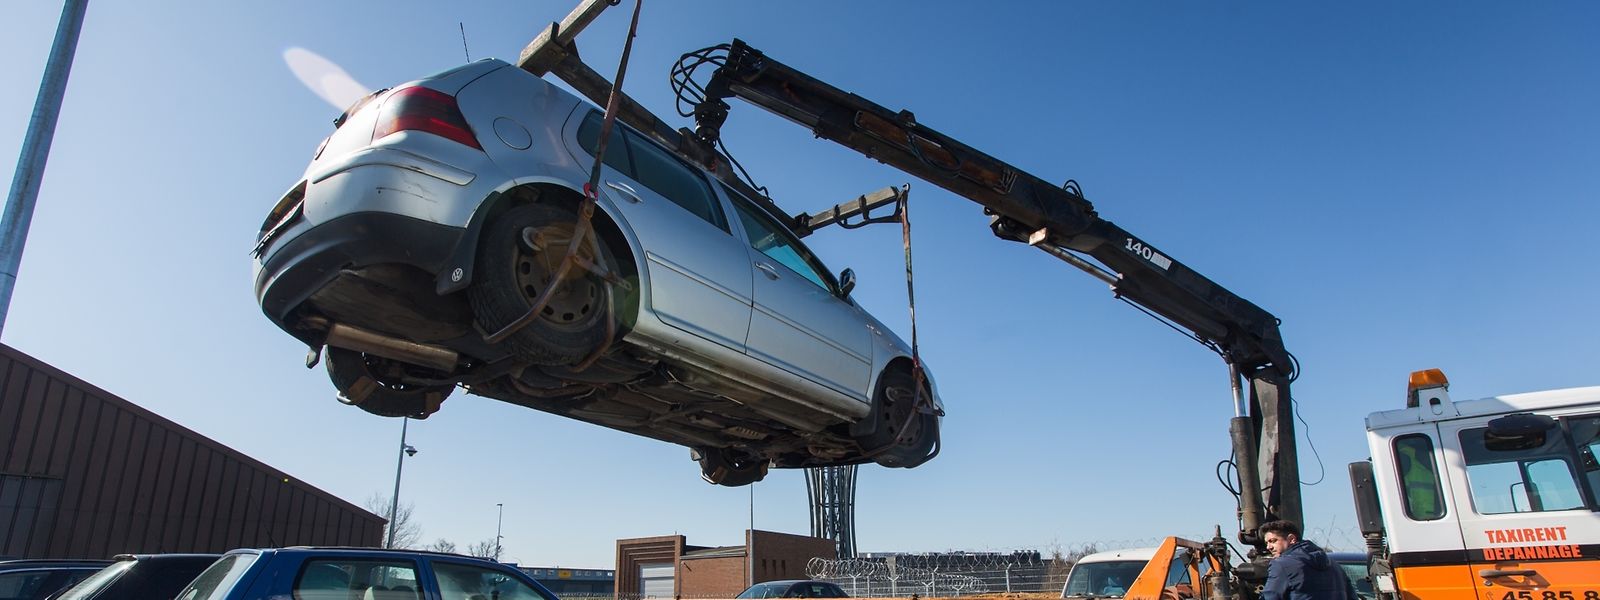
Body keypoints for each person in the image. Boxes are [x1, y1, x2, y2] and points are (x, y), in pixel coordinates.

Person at [1259, 520, 1359, 600]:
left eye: (1273, 541)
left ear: (1291, 539)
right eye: (1267, 543)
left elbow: (1271, 597)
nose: (1269, 547)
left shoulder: (1281, 565)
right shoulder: (1335, 566)